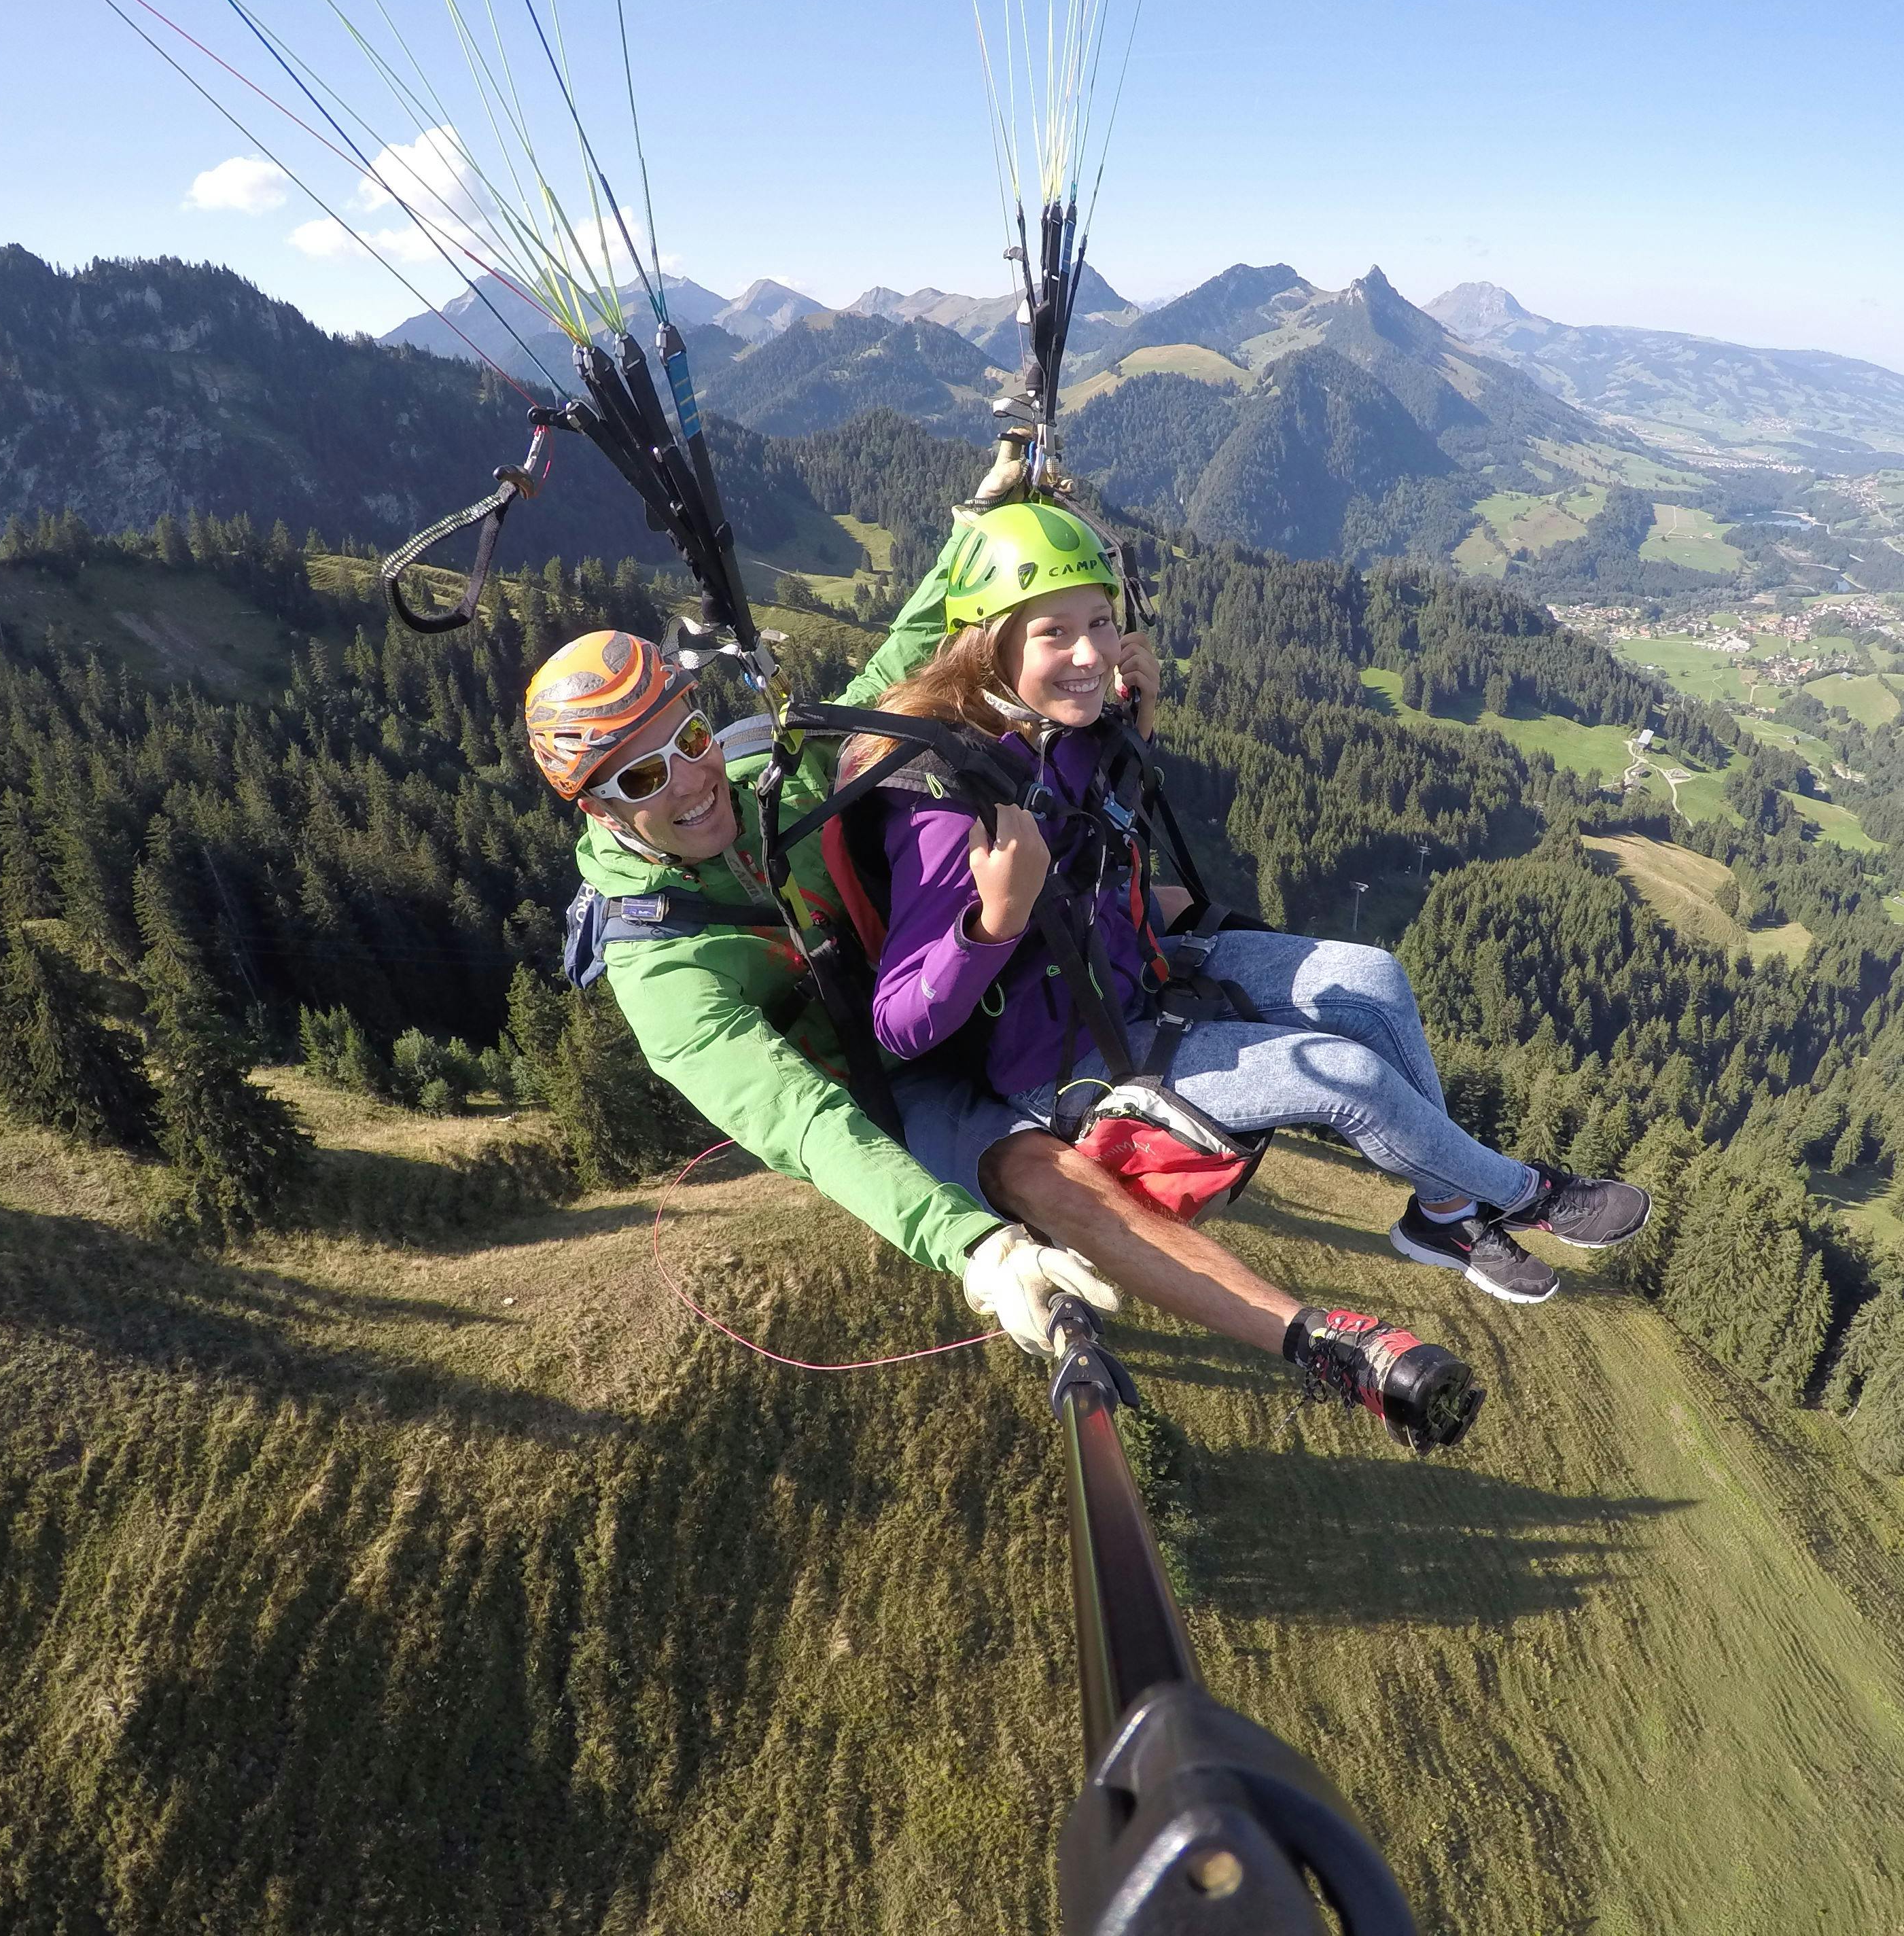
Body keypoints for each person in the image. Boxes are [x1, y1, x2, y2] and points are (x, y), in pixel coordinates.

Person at [535, 619, 1484, 1449]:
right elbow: (808, 1123)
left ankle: (1449, 1197)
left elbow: (903, 665)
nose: (694, 779)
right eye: (645, 775)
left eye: (692, 736)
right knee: (1040, 1176)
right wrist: (973, 1246)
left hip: (958, 973)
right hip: (891, 1079)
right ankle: (1329, 1345)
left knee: (1169, 908)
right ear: (597, 804)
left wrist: (996, 528)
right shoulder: (664, 976)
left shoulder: (769, 770)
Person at [853, 498, 1653, 1327]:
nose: (1090, 652)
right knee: (1348, 1079)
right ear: (989, 648)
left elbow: (1097, 830)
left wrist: (1137, 726)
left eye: (1100, 620)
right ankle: (1529, 1196)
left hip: (1131, 968)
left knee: (1372, 977)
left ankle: (1444, 1218)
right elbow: (897, 1026)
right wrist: (995, 920)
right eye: (1053, 633)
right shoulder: (952, 809)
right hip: (1062, 1062)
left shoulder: (1054, 725)